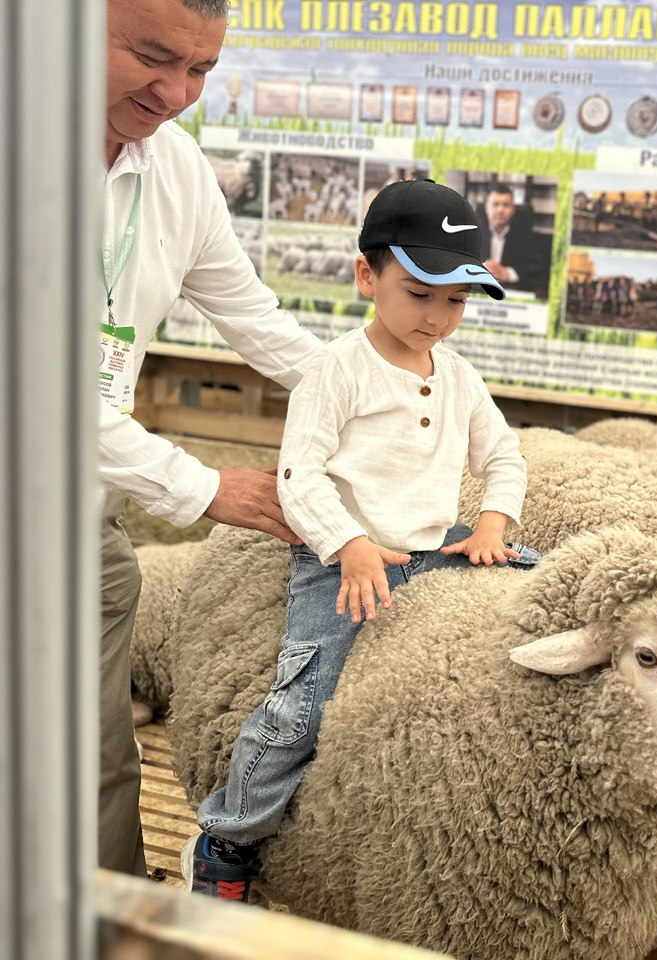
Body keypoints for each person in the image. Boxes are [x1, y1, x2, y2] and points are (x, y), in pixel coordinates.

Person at [182, 178, 535, 901]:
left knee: (547, 585)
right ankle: (229, 839)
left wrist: (495, 523)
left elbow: (503, 456)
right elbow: (298, 473)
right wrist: (345, 544)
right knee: (301, 705)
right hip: (345, 558)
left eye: (456, 301)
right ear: (367, 275)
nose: (437, 317)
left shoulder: (461, 378)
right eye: (420, 293)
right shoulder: (335, 371)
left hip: (434, 547)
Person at [100, 0, 327, 876]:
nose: (175, 92)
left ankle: (104, 917)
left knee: (100, 759)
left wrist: (389, 396)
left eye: (199, 70)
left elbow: (256, 320)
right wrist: (208, 491)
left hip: (83, 532)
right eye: (152, 57)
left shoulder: (175, 171)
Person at [475, 182, 550, 296]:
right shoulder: (472, 233)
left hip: (512, 293)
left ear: (513, 209)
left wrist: (508, 273)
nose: (500, 210)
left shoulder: (526, 236)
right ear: (486, 207)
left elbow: (538, 268)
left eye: (506, 205)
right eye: (495, 204)